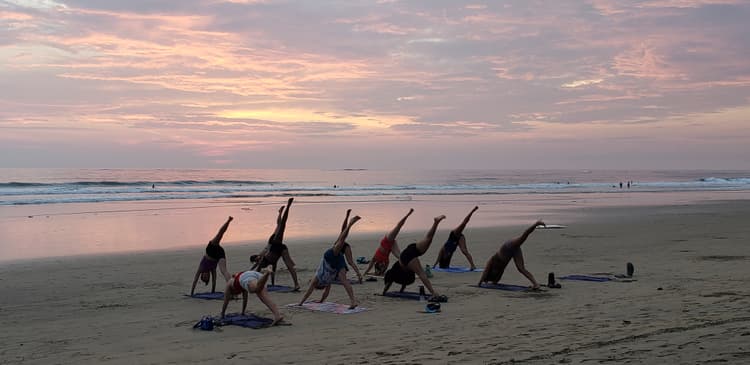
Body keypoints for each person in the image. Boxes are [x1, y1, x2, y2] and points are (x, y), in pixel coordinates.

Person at [298, 214, 362, 309]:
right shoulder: (326, 282)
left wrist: (301, 303)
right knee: (344, 281)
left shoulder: (317, 279)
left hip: (329, 257)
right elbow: (325, 293)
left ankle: (350, 224)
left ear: (319, 285)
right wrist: (321, 300)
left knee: (341, 240)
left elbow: (309, 292)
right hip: (338, 261)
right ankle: (353, 301)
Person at [383, 215, 446, 301]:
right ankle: (435, 222)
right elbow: (403, 284)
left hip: (406, 257)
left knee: (421, 273)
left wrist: (384, 293)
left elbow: (389, 283)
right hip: (409, 249)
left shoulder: (393, 274)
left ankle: (433, 292)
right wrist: (401, 291)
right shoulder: (398, 272)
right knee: (428, 239)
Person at [477, 220, 545, 289]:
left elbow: (485, 271)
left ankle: (536, 224)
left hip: (508, 246)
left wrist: (479, 283)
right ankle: (536, 284)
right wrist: (494, 283)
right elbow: (497, 279)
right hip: (514, 251)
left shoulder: (491, 260)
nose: (495, 272)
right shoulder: (499, 272)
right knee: (521, 269)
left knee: (523, 237)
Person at [251, 198, 300, 290]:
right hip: (281, 249)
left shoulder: (263, 256)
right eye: (256, 259)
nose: (257, 258)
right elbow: (268, 271)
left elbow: (256, 270)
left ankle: (287, 207)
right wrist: (269, 284)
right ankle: (281, 212)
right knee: (280, 225)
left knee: (281, 225)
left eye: (256, 257)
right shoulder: (264, 262)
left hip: (274, 244)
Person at [190, 216, 234, 296]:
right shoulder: (212, 270)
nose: (206, 275)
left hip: (211, 249)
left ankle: (228, 221)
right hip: (219, 253)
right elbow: (214, 281)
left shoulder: (201, 268)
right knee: (224, 271)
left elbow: (195, 280)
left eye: (204, 276)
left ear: (202, 274)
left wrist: (191, 293)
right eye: (207, 277)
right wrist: (213, 292)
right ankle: (232, 286)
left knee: (219, 235)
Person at [363, 208, 413, 276]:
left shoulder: (375, 258)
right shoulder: (386, 262)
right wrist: (378, 273)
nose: (383, 265)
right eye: (382, 267)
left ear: (377, 264)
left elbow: (369, 268)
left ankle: (408, 214)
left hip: (386, 241)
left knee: (398, 227)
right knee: (401, 257)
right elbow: (381, 273)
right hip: (391, 246)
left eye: (381, 266)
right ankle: (410, 268)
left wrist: (365, 273)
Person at [336, 209, 364, 283]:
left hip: (339, 248)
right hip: (344, 246)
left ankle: (349, 222)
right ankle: (359, 275)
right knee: (350, 262)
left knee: (342, 233)